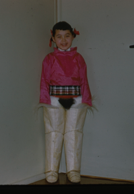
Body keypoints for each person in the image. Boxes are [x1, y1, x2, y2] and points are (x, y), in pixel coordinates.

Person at [39, 21, 93, 183]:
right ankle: (51, 170)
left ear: (73, 37)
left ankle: (73, 170)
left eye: (67, 36)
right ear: (53, 39)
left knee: (74, 132)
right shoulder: (49, 59)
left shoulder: (78, 58)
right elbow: (44, 80)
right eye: (59, 37)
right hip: (54, 100)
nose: (63, 40)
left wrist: (86, 99)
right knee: (54, 132)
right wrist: (44, 99)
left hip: (75, 100)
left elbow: (84, 79)